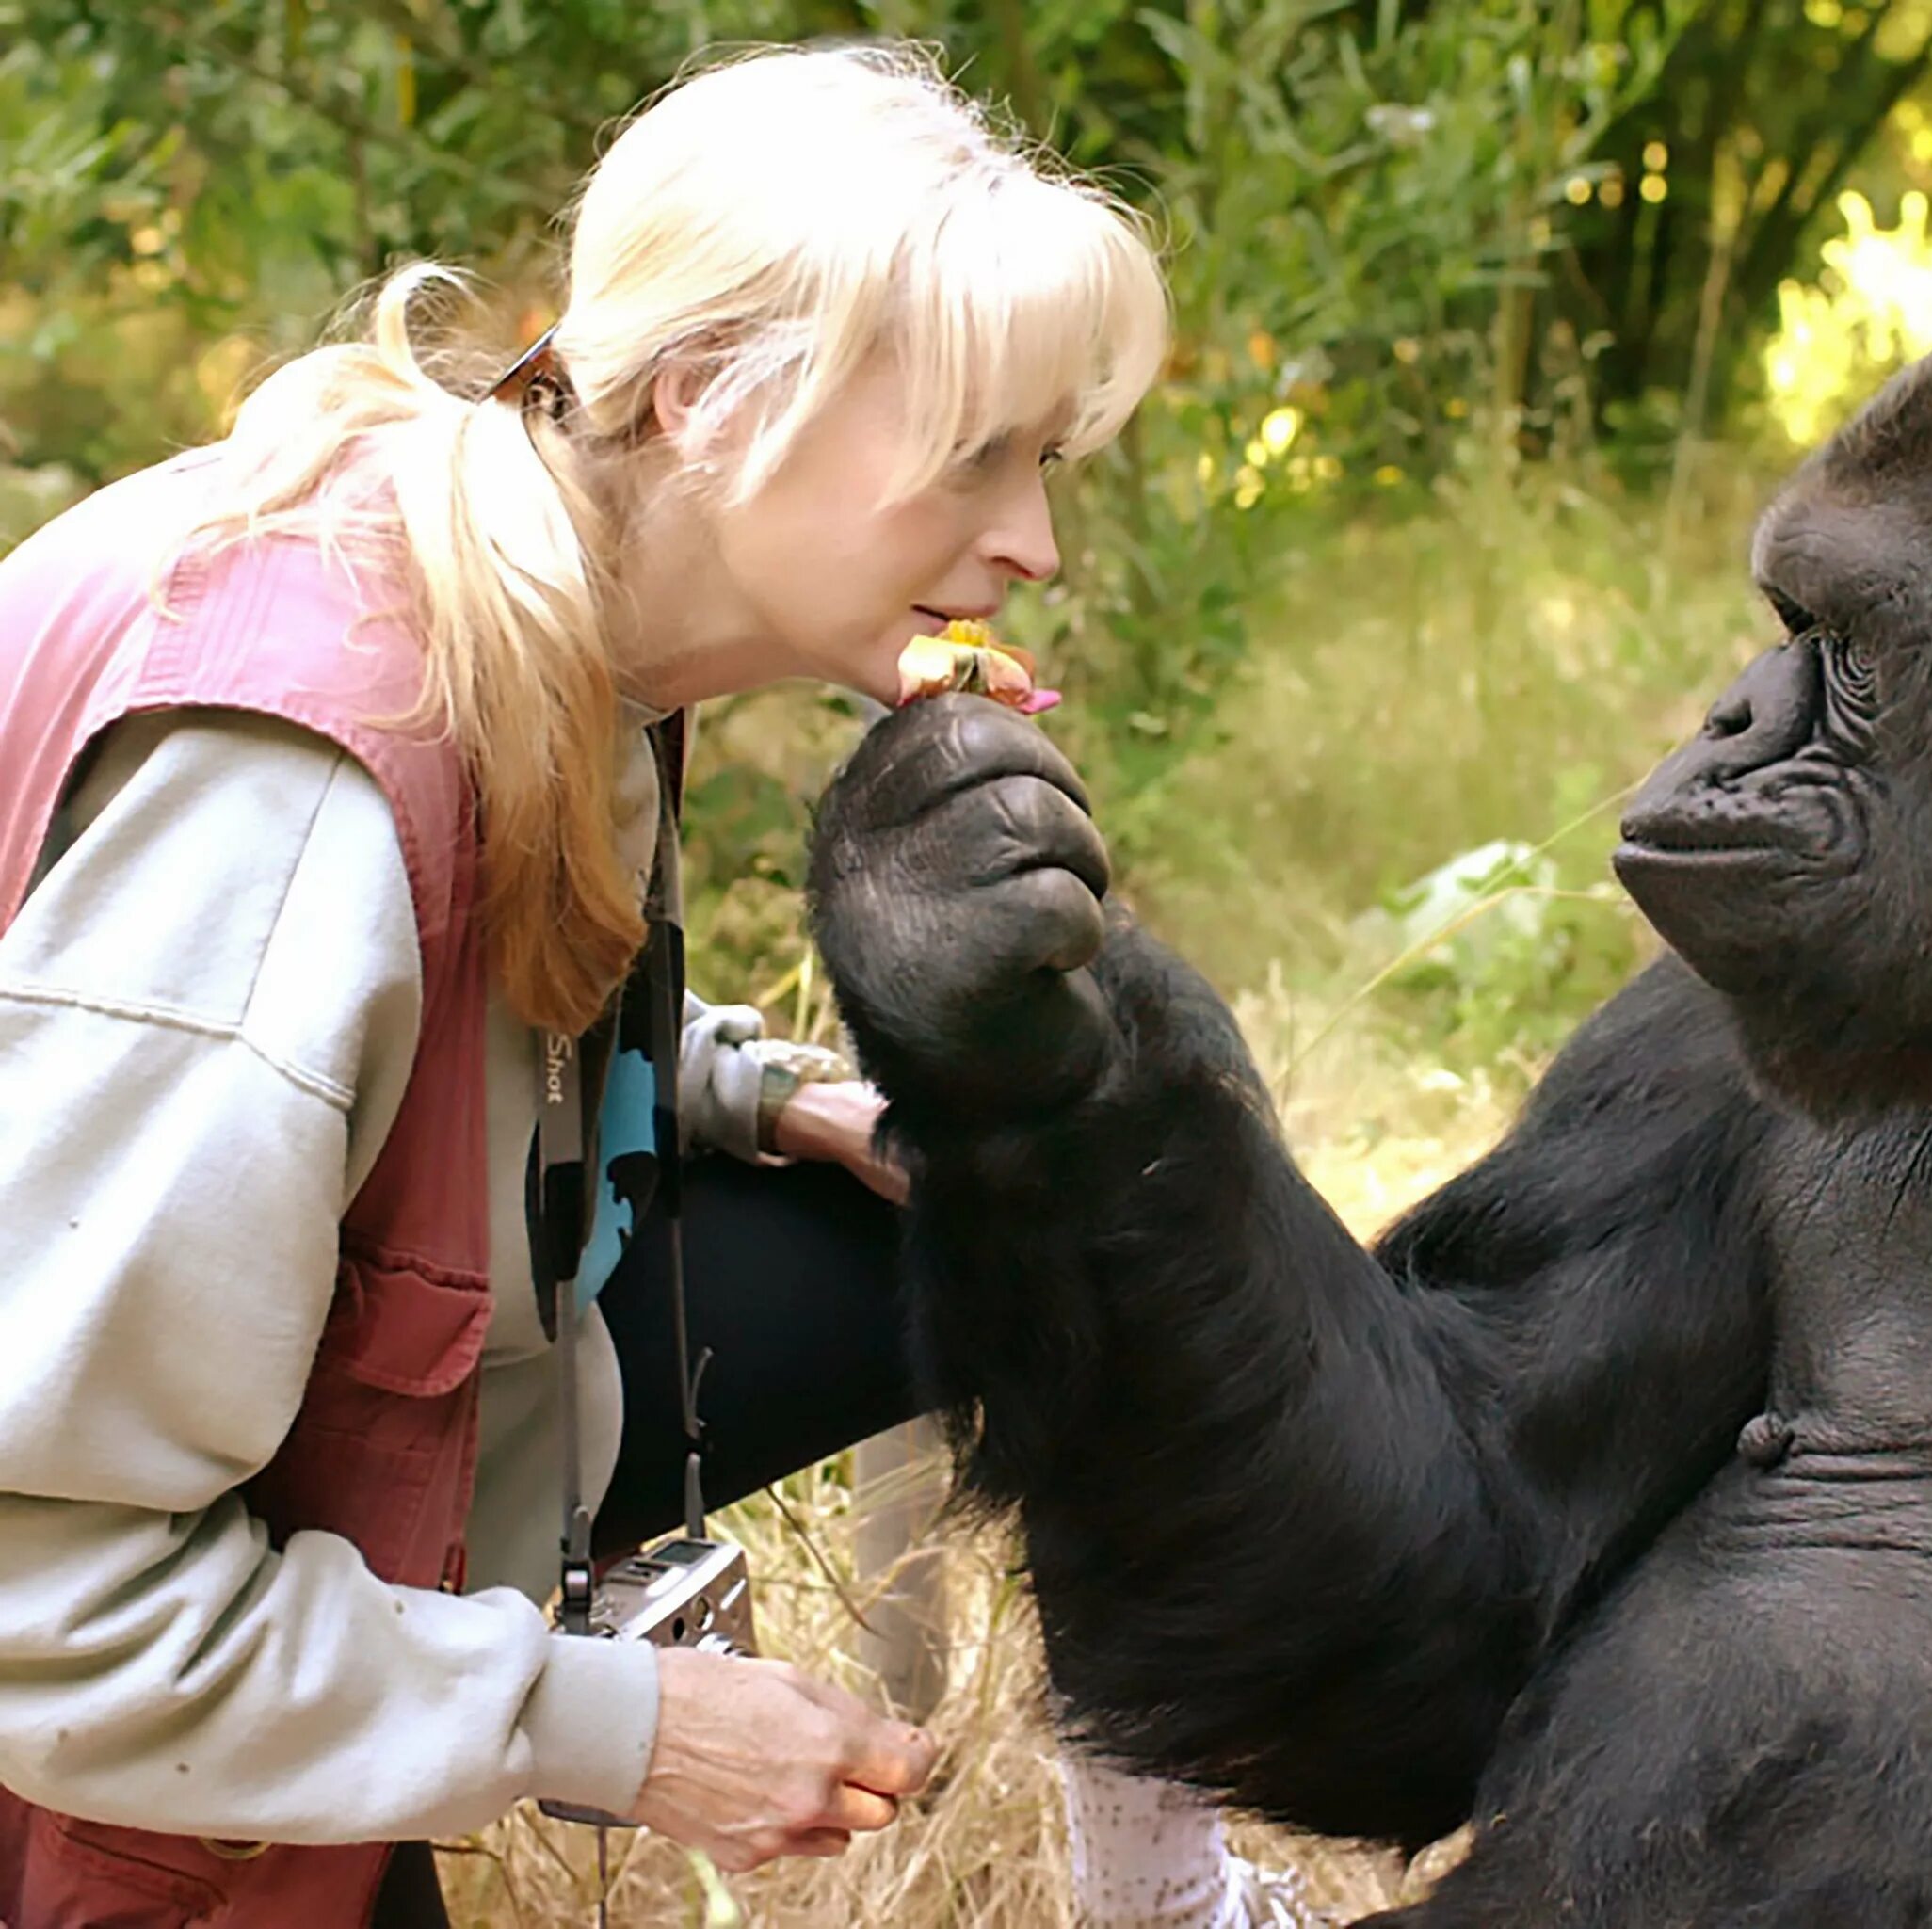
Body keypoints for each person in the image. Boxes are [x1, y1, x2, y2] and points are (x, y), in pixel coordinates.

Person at [0, 41, 1286, 1929]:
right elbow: (45, 1593)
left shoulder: (530, 583)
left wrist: (754, 1094)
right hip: (74, 1659)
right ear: (704, 395)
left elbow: (413, 1030)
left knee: (1023, 1227)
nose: (1034, 542)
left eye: (1048, 458)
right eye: (975, 453)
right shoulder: (299, 793)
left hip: (184, 1470)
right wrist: (617, 1721)